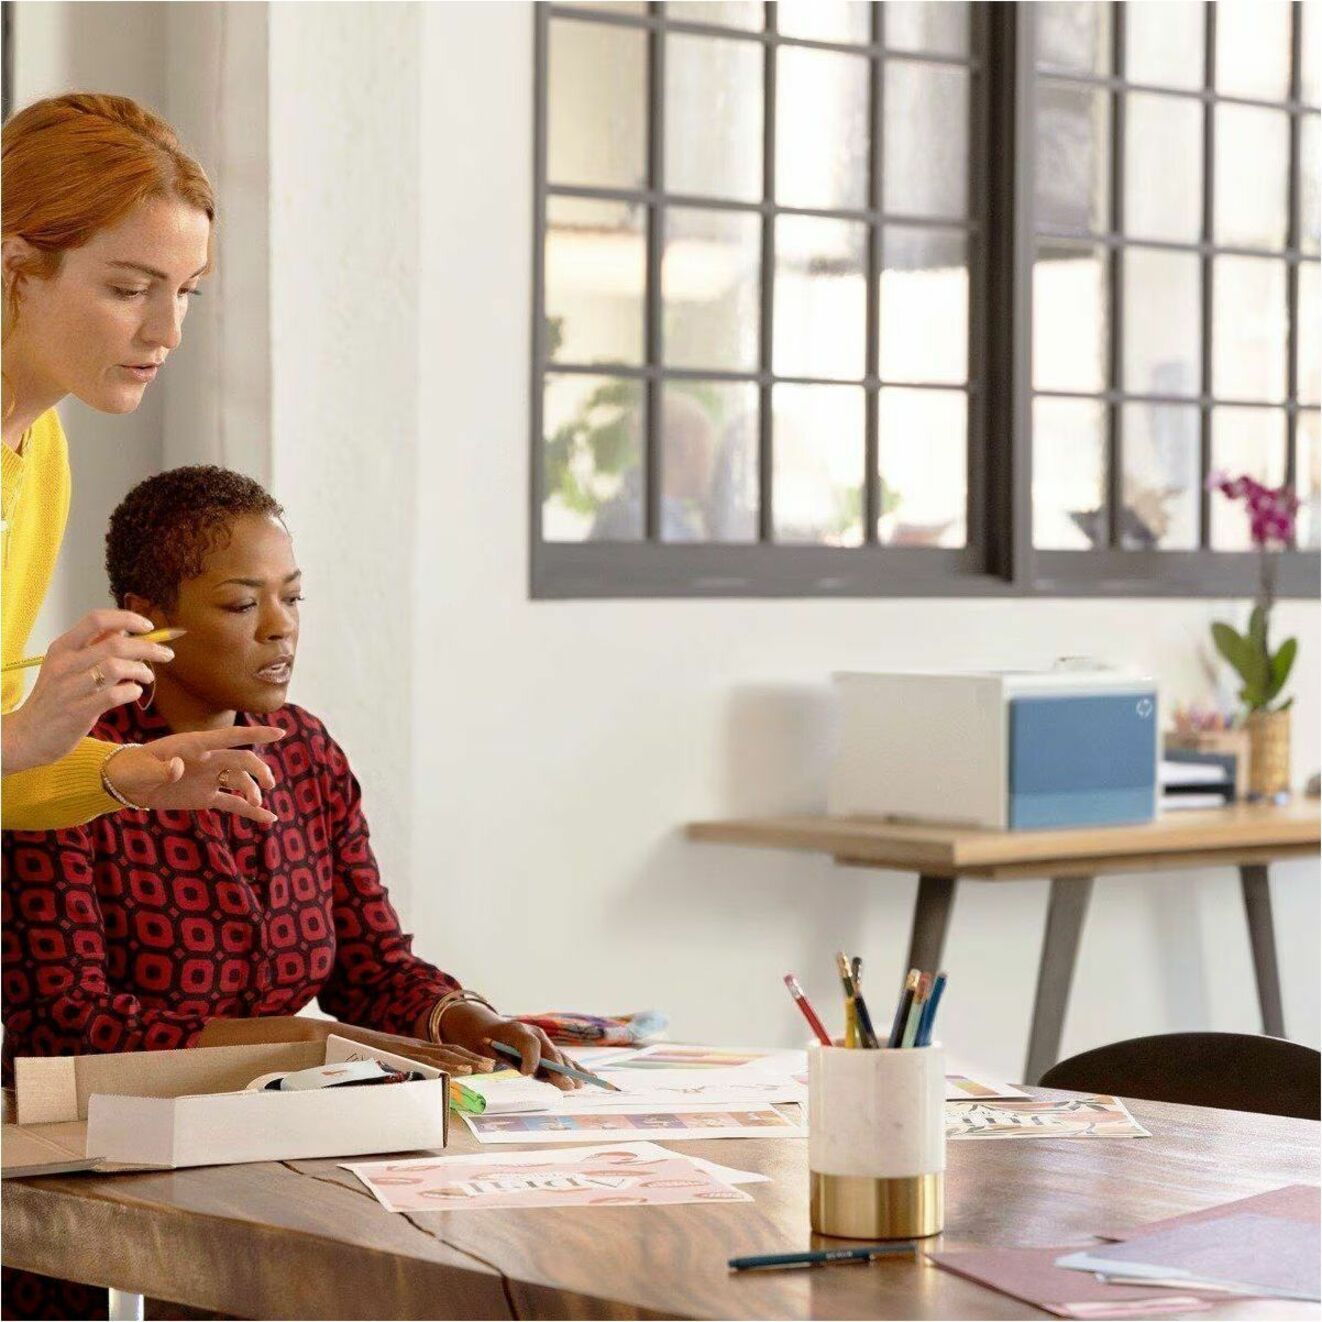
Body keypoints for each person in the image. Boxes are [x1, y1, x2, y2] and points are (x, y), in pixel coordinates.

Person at [2, 468, 581, 1319]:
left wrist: (473, 1023)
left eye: (294, 599)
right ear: (146, 618)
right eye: (242, 605)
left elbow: (374, 968)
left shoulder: (305, 755)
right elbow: (65, 1023)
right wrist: (300, 1045)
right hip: (106, 1202)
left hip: (288, 1170)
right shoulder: (66, 773)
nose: (280, 630)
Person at [2, 93, 282, 829]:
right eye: (129, 290)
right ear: (18, 266)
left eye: (185, 293)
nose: (168, 331)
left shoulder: (41, 449)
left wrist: (121, 773)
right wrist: (22, 732)